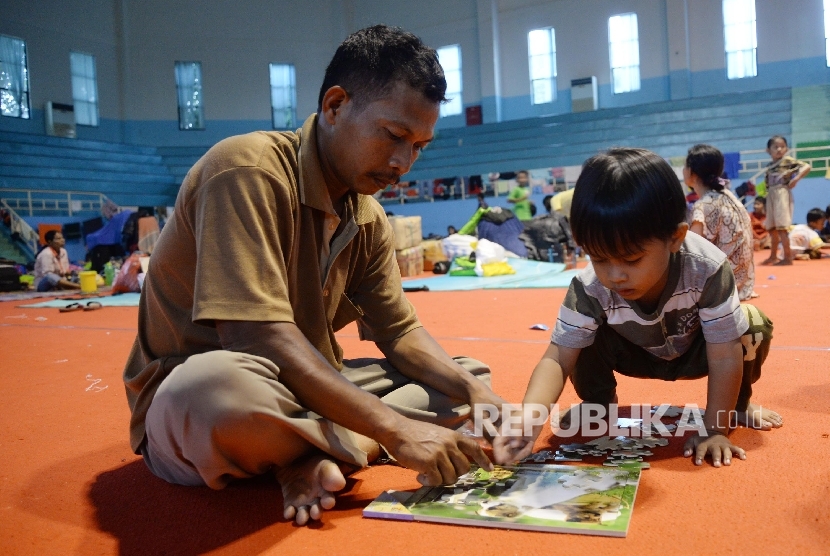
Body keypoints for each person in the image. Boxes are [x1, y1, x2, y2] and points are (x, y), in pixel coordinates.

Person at [123, 25, 507, 527]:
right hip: (222, 389)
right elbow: (253, 338)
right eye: (393, 136)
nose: (402, 163)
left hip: (305, 386)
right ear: (334, 105)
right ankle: (339, 443)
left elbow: (400, 333)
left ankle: (303, 453)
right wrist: (394, 430)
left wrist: (475, 393)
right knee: (212, 389)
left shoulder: (367, 216)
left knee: (469, 375)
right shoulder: (246, 169)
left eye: (419, 146)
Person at [491, 148, 783, 469]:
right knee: (576, 337)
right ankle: (599, 406)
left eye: (631, 260)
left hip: (697, 353)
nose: (614, 275)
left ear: (675, 238)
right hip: (634, 352)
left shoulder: (708, 268)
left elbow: (726, 355)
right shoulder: (589, 286)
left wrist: (715, 429)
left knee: (752, 324)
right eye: (598, 258)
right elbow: (558, 358)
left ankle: (738, 404)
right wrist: (528, 421)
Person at [684, 144, 757, 300]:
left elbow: (692, 251)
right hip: (743, 282)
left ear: (692, 173)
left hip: (722, 286)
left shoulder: (702, 205)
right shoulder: (728, 196)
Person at [761, 136, 812, 266]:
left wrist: (796, 179)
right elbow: (767, 185)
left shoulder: (787, 161)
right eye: (775, 147)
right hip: (771, 194)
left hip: (782, 193)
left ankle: (788, 257)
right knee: (772, 228)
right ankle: (773, 256)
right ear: (768, 150)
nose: (779, 149)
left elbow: (806, 166)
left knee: (782, 226)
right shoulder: (769, 166)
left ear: (786, 148)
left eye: (782, 146)